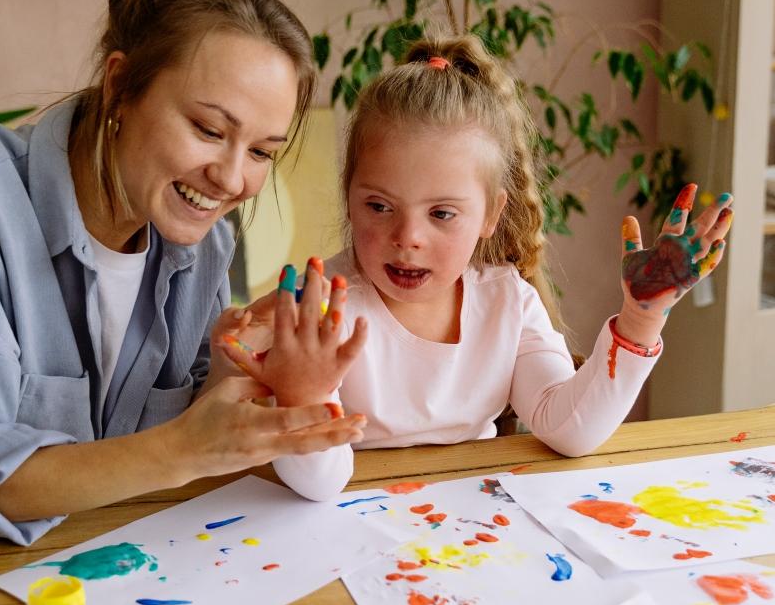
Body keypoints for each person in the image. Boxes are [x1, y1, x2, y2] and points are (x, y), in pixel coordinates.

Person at [0, 0, 365, 543]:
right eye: (209, 130)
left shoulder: (200, 242)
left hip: (89, 575)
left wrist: (243, 374)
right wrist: (184, 449)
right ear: (120, 84)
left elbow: (160, 443)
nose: (232, 181)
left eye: (261, 152)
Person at [224, 34, 733, 500]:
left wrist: (641, 320)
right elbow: (320, 482)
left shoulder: (508, 304)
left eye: (442, 213)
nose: (408, 238)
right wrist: (301, 392)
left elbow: (568, 428)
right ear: (349, 197)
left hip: (472, 539)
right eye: (379, 206)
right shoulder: (320, 312)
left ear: (490, 214)